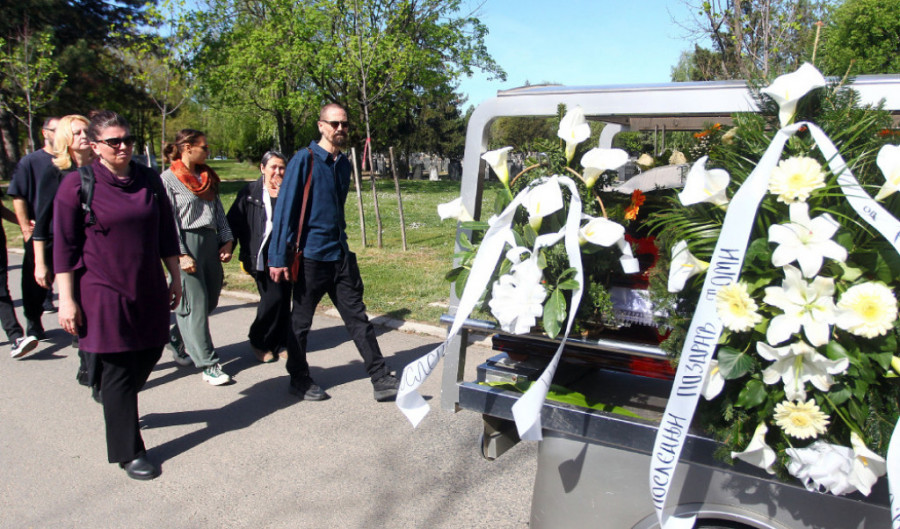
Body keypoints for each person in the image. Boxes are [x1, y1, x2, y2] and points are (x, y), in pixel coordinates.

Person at [53, 110, 182, 480]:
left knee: (153, 347)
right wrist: (67, 299)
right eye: (114, 141)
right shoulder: (77, 185)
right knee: (120, 367)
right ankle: (130, 452)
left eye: (127, 139)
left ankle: (108, 390)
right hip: (101, 288)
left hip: (147, 283)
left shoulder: (148, 179)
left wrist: (175, 276)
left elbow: (165, 231)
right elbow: (65, 247)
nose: (123, 146)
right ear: (95, 146)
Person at [268, 103, 400, 402]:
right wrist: (277, 257)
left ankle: (380, 377)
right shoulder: (304, 160)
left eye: (344, 124)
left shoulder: (343, 164)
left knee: (358, 318)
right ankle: (298, 378)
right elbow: (285, 209)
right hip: (310, 257)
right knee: (300, 324)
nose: (340, 129)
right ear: (321, 126)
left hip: (339, 256)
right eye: (334, 123)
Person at [160, 129, 234, 385]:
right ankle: (209, 364)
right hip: (185, 244)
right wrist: (180, 253)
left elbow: (218, 211)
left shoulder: (206, 176)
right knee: (196, 305)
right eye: (204, 147)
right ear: (187, 147)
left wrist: (227, 240)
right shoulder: (168, 179)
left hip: (209, 243)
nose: (208, 151)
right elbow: (169, 221)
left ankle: (176, 339)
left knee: (210, 299)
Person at [31, 114, 96, 390]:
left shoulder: (102, 170)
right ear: (66, 139)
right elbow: (42, 222)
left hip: (97, 252)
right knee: (79, 309)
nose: (84, 136)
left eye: (87, 131)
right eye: (77, 132)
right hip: (68, 253)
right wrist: (40, 262)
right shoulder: (56, 173)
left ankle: (96, 358)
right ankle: (87, 359)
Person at [226, 151, 291, 363]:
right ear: (263, 168)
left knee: (284, 299)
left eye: (282, 167)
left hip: (286, 255)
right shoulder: (250, 193)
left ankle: (280, 342)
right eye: (273, 167)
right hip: (260, 256)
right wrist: (228, 245)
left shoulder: (290, 192)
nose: (278, 171)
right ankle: (258, 339)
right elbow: (233, 222)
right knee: (273, 298)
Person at [8, 116, 58, 339]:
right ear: (45, 133)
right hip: (41, 233)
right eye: (55, 130)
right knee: (34, 281)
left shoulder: (70, 161)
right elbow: (18, 195)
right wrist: (26, 229)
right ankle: (34, 320)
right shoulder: (31, 162)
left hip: (67, 232)